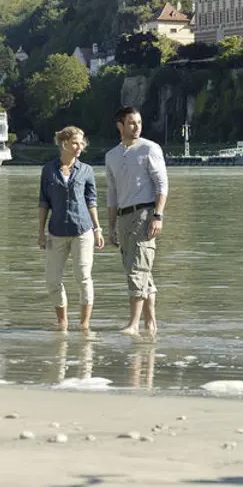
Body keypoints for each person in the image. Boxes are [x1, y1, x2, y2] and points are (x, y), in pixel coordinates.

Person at [105, 106, 168, 338]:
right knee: (142, 272)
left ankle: (133, 324)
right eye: (131, 123)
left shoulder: (150, 149)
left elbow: (162, 185)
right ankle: (150, 323)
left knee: (137, 269)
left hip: (145, 214)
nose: (137, 127)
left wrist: (158, 216)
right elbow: (111, 193)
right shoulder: (111, 155)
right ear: (120, 125)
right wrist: (111, 226)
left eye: (139, 122)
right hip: (123, 216)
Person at [37, 126, 103, 332]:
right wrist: (40, 233)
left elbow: (91, 201)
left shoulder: (86, 170)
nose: (79, 147)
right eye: (75, 142)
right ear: (64, 143)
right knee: (52, 280)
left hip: (82, 231)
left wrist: (97, 228)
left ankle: (84, 325)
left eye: (81, 143)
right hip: (56, 231)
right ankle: (62, 322)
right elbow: (43, 202)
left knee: (83, 277)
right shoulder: (48, 170)